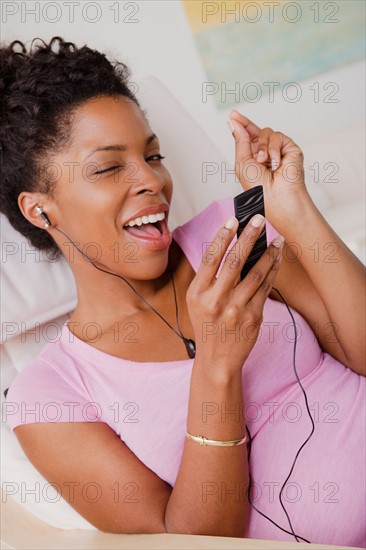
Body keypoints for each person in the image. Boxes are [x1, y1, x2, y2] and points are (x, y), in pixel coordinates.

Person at [1, 37, 365, 547]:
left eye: (153, 155)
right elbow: (191, 539)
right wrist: (218, 365)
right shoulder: (49, 397)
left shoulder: (233, 232)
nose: (151, 180)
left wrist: (295, 211)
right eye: (108, 167)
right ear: (40, 210)